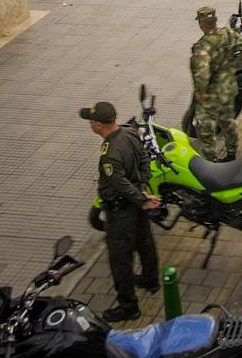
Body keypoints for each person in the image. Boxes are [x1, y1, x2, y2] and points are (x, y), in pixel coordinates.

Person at [81, 101, 159, 323]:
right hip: (136, 204)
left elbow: (119, 183)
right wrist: (142, 190)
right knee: (145, 244)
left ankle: (128, 306)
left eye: (91, 122)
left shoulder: (110, 153)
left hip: (121, 210)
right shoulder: (129, 134)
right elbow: (145, 160)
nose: (90, 125)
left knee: (120, 259)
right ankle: (150, 280)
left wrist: (140, 199)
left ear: (97, 125)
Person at [189, 7, 242, 162]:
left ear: (202, 25)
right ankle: (231, 154)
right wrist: (233, 66)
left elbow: (202, 74)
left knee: (206, 129)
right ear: (215, 21)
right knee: (228, 122)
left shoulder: (202, 47)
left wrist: (201, 92)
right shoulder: (228, 34)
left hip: (211, 95)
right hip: (228, 88)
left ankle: (211, 161)